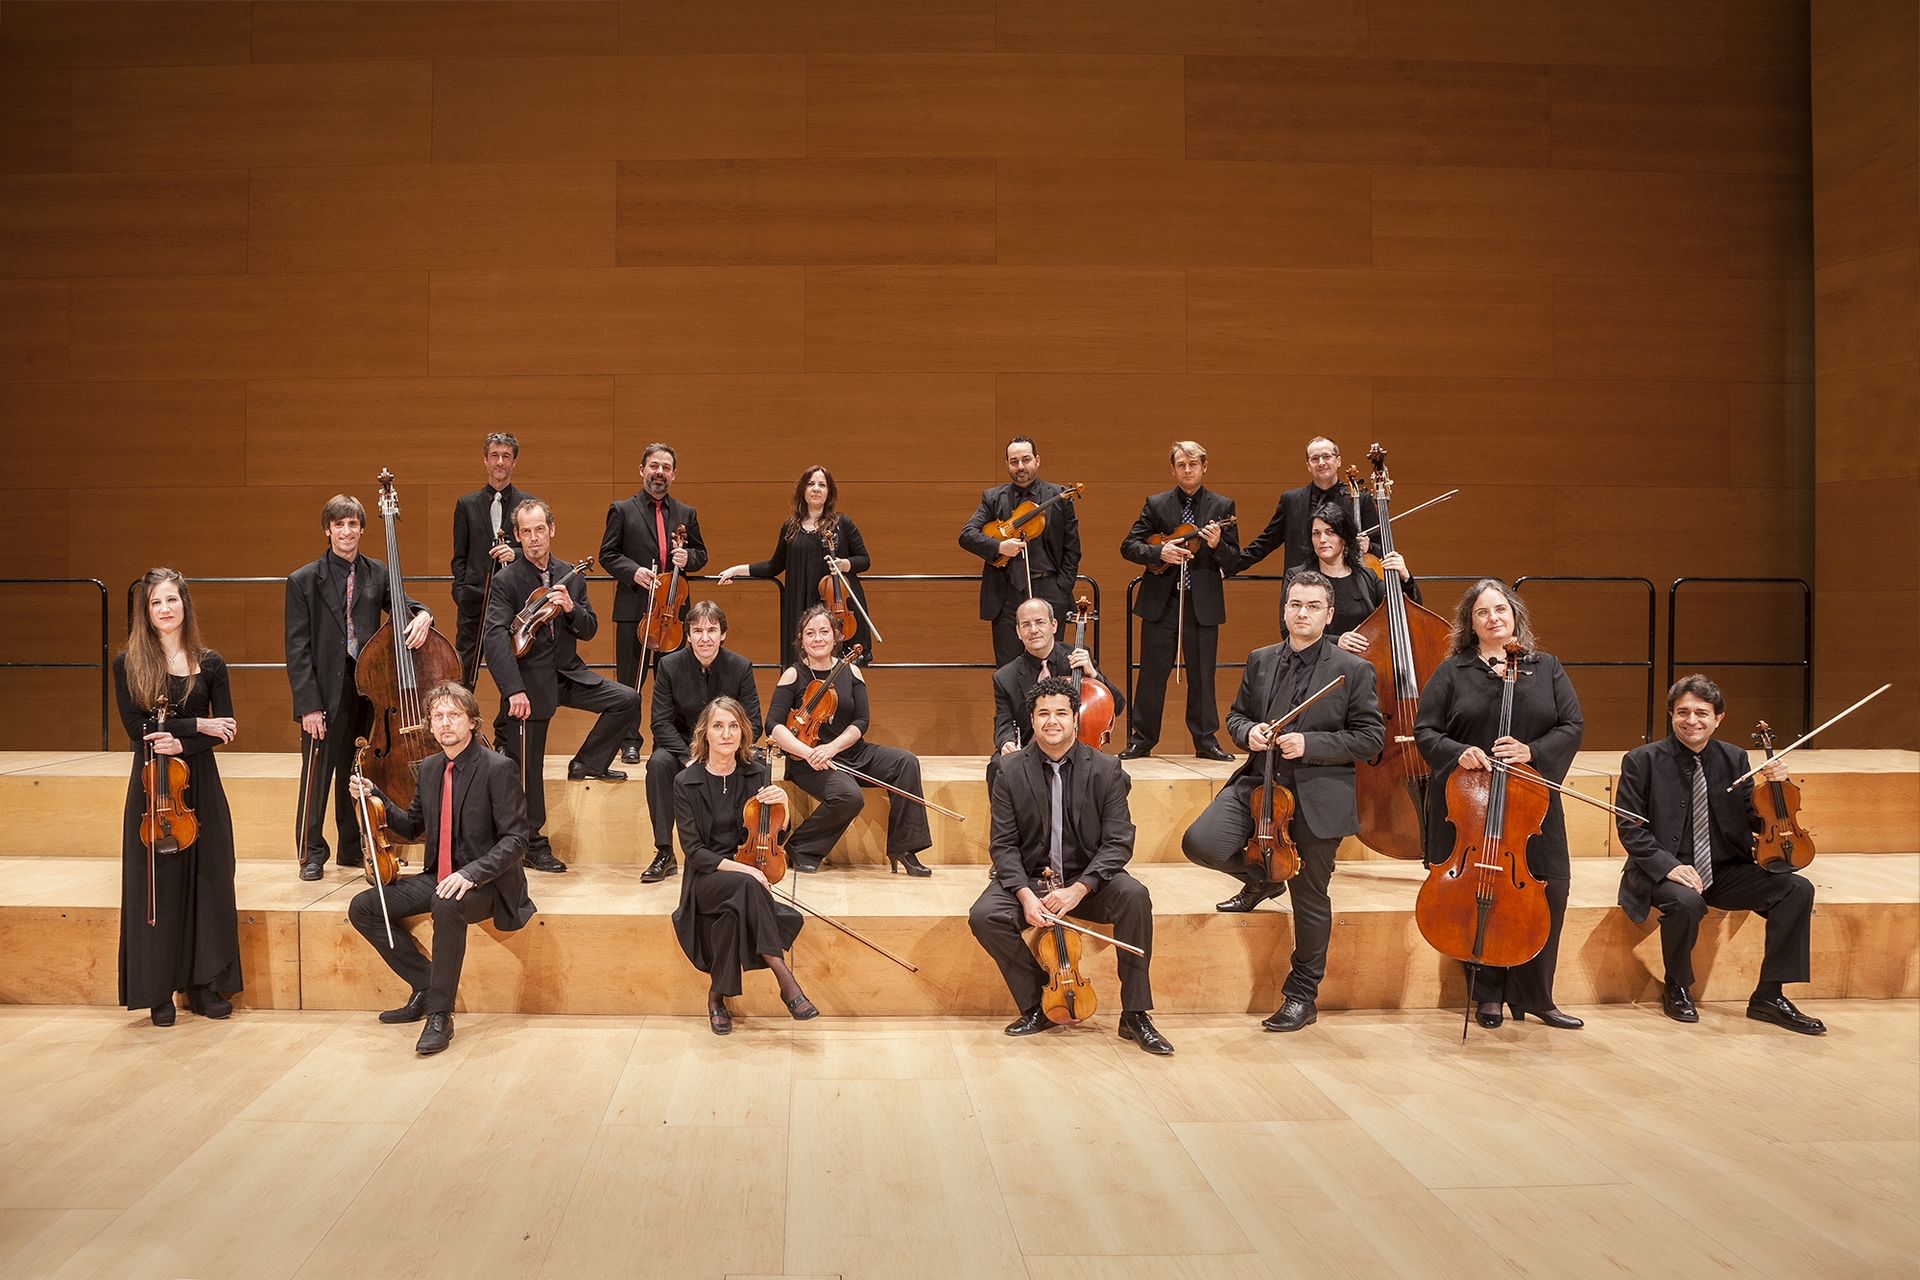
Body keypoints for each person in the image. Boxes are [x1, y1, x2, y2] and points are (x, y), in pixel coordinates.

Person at [1179, 571, 1384, 1031]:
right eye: (1295, 604)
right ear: (1284, 609)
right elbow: (1236, 715)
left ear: (1329, 614)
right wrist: (1247, 733)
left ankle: (1302, 996)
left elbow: (1371, 739)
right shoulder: (1261, 659)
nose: (1302, 613)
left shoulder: (1352, 670)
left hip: (1317, 798)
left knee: (1309, 898)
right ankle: (1263, 878)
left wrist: (1310, 745)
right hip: (1259, 784)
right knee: (1201, 844)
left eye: (1313, 606)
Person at [968, 676, 1172, 1055]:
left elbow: (1118, 841)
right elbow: (1004, 844)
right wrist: (1026, 896)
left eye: (1061, 712)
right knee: (984, 916)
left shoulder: (1107, 769)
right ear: (1032, 719)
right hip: (1031, 879)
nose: (1052, 721)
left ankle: (1135, 1014)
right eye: (1043, 713)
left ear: (1075, 719)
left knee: (1134, 896)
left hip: (1084, 879)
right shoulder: (1009, 770)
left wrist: (1080, 889)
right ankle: (1038, 1004)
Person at [1415, 579, 1585, 1030]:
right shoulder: (1453, 671)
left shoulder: (1545, 667)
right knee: (1479, 893)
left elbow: (1572, 725)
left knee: (1550, 888)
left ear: (1515, 618)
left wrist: (1532, 751)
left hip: (1532, 802)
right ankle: (1487, 993)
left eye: (1501, 610)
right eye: (1483, 613)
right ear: (1470, 625)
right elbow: (1426, 731)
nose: (1494, 618)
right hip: (1470, 805)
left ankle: (1538, 997)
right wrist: (1459, 753)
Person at [1615, 676, 1824, 1034]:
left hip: (1723, 869)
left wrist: (1774, 788)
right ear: (1671, 715)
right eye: (1682, 712)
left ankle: (1769, 996)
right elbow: (1630, 829)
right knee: (1686, 903)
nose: (1691, 720)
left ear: (1718, 718)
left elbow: (1751, 821)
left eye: (1701, 713)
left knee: (1796, 889)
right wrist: (1670, 867)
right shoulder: (1641, 761)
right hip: (1663, 872)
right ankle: (1677, 986)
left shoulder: (1734, 758)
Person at [347, 682, 534, 1056]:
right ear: (430, 726)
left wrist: (469, 875)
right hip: (439, 876)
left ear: (471, 722)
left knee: (447, 904)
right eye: (437, 716)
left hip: (487, 883)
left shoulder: (498, 768)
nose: (445, 722)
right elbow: (412, 825)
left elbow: (516, 840)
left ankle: (440, 1015)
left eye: (453, 715)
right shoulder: (431, 768)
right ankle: (428, 982)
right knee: (365, 906)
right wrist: (375, 796)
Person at [484, 499, 640, 874]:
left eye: (540, 530)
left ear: (551, 530)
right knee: (529, 771)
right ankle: (532, 845)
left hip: (568, 673)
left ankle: (587, 761)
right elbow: (494, 639)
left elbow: (589, 629)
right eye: (526, 532)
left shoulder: (570, 573)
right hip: (529, 684)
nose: (534, 539)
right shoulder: (507, 580)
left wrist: (572, 608)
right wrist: (513, 691)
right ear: (518, 536)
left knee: (626, 700)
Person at [116, 568, 242, 1026]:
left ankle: (205, 984)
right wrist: (194, 726)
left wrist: (184, 739)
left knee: (209, 882)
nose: (165, 609)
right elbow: (136, 728)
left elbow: (225, 727)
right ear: (146, 613)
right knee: (159, 886)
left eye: (172, 600)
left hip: (200, 784)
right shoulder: (128, 663)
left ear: (184, 605)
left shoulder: (211, 663)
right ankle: (158, 989)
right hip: (155, 788)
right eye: (156, 603)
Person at [285, 493, 434, 881]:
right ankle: (311, 852)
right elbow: (297, 649)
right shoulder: (303, 580)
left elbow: (406, 606)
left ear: (362, 529)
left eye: (353, 524)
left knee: (357, 771)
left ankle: (352, 848)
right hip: (324, 695)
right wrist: (308, 706)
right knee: (316, 776)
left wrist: (424, 615)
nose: (346, 531)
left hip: (369, 691)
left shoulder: (377, 572)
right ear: (327, 530)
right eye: (339, 524)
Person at [671, 696, 816, 1035]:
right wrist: (747, 871)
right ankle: (786, 979)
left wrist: (785, 807)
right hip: (706, 879)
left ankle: (716, 998)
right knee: (747, 886)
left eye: (733, 726)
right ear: (705, 734)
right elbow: (695, 852)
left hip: (741, 886)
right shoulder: (686, 782)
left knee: (732, 917)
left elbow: (774, 833)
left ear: (743, 733)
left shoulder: (755, 775)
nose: (726, 734)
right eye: (718, 726)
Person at [767, 605, 933, 876]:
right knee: (849, 796)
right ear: (801, 638)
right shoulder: (793, 674)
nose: (817, 638)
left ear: (836, 636)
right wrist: (809, 753)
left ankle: (904, 848)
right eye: (810, 633)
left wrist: (834, 746)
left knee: (906, 762)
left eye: (824, 632)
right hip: (809, 760)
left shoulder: (851, 672)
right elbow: (772, 725)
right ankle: (801, 846)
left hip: (851, 751)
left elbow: (861, 721)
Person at [1119, 441, 1239, 760]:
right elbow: (1129, 546)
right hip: (1163, 601)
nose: (1187, 470)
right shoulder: (1156, 504)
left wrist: (1216, 545)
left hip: (1202, 603)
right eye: (1181, 465)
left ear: (1204, 466)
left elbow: (1235, 560)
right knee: (1152, 673)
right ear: (1173, 469)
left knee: (1202, 675)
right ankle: (1141, 739)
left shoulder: (1223, 505)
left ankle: (1206, 740)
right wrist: (1160, 552)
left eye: (1193, 464)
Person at [600, 443, 709, 764]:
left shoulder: (686, 514)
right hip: (635, 608)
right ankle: (629, 741)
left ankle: (668, 742)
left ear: (674, 474)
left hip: (673, 614)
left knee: (673, 679)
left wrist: (688, 557)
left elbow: (702, 554)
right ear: (642, 470)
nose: (659, 472)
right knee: (629, 680)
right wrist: (633, 572)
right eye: (653, 466)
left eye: (665, 467)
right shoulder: (622, 509)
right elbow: (607, 554)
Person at [644, 601, 763, 883]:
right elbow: (659, 722)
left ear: (723, 634)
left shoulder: (741, 666)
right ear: (688, 635)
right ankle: (664, 852)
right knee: (658, 763)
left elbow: (753, 723)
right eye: (697, 631)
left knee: (757, 763)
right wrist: (691, 756)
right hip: (682, 746)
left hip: (726, 743)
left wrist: (726, 747)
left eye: (712, 630)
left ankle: (746, 846)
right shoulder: (669, 666)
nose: (705, 637)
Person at [716, 465, 875, 668]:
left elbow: (864, 559)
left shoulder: (843, 524)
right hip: (798, 605)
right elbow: (774, 566)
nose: (816, 488)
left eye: (822, 485)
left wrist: (844, 564)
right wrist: (737, 570)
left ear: (829, 492)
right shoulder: (790, 526)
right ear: (802, 490)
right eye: (810, 484)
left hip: (831, 607)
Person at [959, 437, 1082, 666]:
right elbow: (967, 535)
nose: (1020, 467)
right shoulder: (993, 498)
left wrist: (1061, 587)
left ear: (1037, 460)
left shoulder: (1059, 496)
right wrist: (998, 546)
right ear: (1007, 464)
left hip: (1049, 590)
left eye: (1026, 460)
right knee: (1008, 668)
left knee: (1051, 665)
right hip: (1006, 594)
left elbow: (1072, 549)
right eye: (1014, 462)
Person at [989, 597, 1123, 790]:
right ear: (1018, 632)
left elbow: (1117, 706)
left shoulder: (1077, 656)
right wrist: (1006, 742)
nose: (1033, 630)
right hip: (1032, 752)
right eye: (1026, 625)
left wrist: (1093, 674)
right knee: (996, 767)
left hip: (1078, 750)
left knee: (1119, 776)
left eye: (1040, 622)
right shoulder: (1005, 677)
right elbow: (1003, 721)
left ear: (1053, 625)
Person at [450, 432, 537, 709]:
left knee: (514, 670)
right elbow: (459, 557)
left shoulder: (528, 505)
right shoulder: (466, 504)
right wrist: (461, 592)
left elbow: (539, 551)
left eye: (506, 457)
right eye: (495, 456)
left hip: (516, 602)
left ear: (515, 462)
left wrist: (517, 553)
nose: (500, 462)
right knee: (464, 672)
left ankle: (504, 736)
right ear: (486, 460)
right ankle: (464, 733)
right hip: (474, 601)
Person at [1237, 437, 1376, 576]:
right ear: (1308, 466)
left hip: (1345, 587)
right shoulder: (1290, 500)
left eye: (1326, 456)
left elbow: (1380, 548)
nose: (1321, 463)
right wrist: (1228, 568)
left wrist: (1368, 546)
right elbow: (1266, 542)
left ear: (1338, 461)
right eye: (1315, 459)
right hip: (1300, 586)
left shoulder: (1360, 500)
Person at [1301, 502, 1422, 647]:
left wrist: (1405, 577)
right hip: (1319, 663)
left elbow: (1407, 610)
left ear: (1345, 537)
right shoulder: (1299, 577)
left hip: (1364, 661)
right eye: (1316, 533)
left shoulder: (1367, 577)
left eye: (1330, 532)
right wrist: (1335, 642)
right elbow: (1289, 629)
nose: (1322, 539)